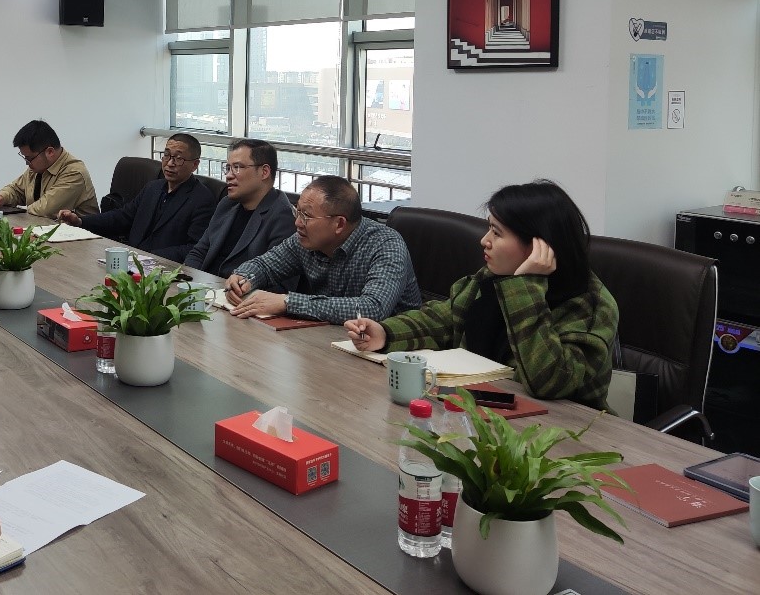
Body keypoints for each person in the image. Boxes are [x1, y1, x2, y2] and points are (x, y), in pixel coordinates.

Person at [344, 180, 619, 409]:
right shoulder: (492, 278)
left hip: (565, 435)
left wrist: (525, 287)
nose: (484, 240)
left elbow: (549, 382)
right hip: (480, 410)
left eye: (497, 233)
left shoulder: (590, 304)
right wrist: (386, 333)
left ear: (539, 245)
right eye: (489, 228)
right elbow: (444, 320)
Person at [224, 176, 421, 325]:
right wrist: (243, 278)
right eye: (297, 211)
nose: (297, 222)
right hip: (330, 338)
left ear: (339, 224)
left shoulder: (386, 245)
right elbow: (265, 265)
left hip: (390, 351)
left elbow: (372, 308)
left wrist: (288, 302)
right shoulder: (304, 240)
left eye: (306, 216)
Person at [57, 134, 215, 262]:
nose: (170, 163)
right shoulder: (153, 188)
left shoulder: (202, 199)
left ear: (195, 165)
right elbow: (122, 217)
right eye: (167, 155)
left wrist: (149, 257)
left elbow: (194, 248)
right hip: (131, 261)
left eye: (178, 158)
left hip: (164, 269)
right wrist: (80, 221)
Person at [183, 139, 294, 278]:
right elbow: (199, 252)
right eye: (228, 168)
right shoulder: (227, 204)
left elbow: (277, 280)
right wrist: (186, 281)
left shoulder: (284, 217)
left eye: (237, 167)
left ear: (264, 172)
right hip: (201, 285)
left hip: (238, 290)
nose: (228, 175)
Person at [0, 120, 98, 219]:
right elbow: (17, 190)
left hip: (79, 234)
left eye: (29, 158)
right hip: (45, 229)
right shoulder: (37, 168)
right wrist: (2, 197)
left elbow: (44, 210)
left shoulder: (74, 172)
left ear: (50, 152)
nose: (27, 163)